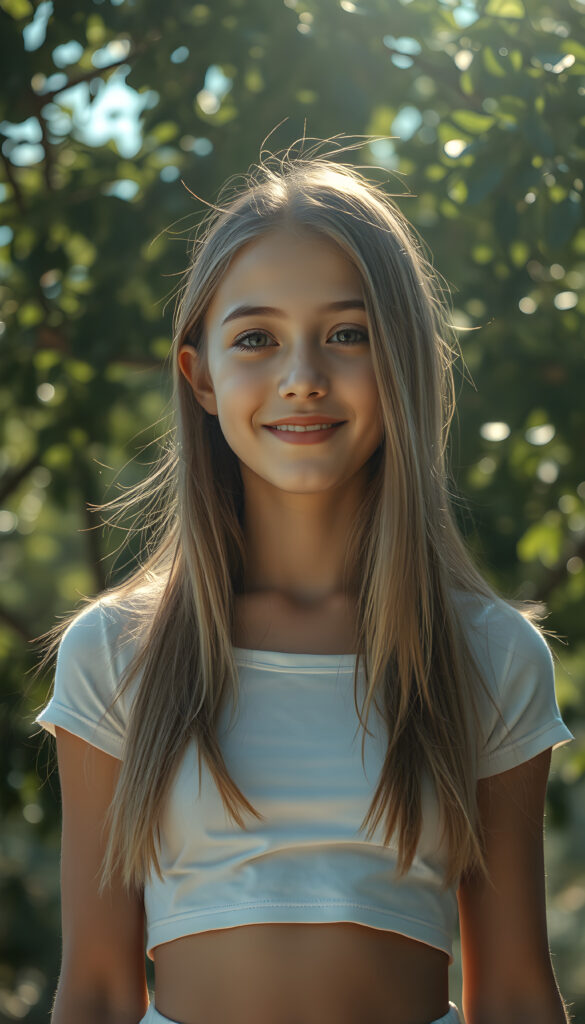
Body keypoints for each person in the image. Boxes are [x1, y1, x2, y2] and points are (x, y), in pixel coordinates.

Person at [34, 139, 574, 1024]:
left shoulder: (489, 654)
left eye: (347, 335)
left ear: (402, 360)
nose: (302, 379)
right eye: (256, 338)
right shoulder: (115, 651)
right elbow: (93, 991)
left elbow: (514, 993)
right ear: (199, 374)